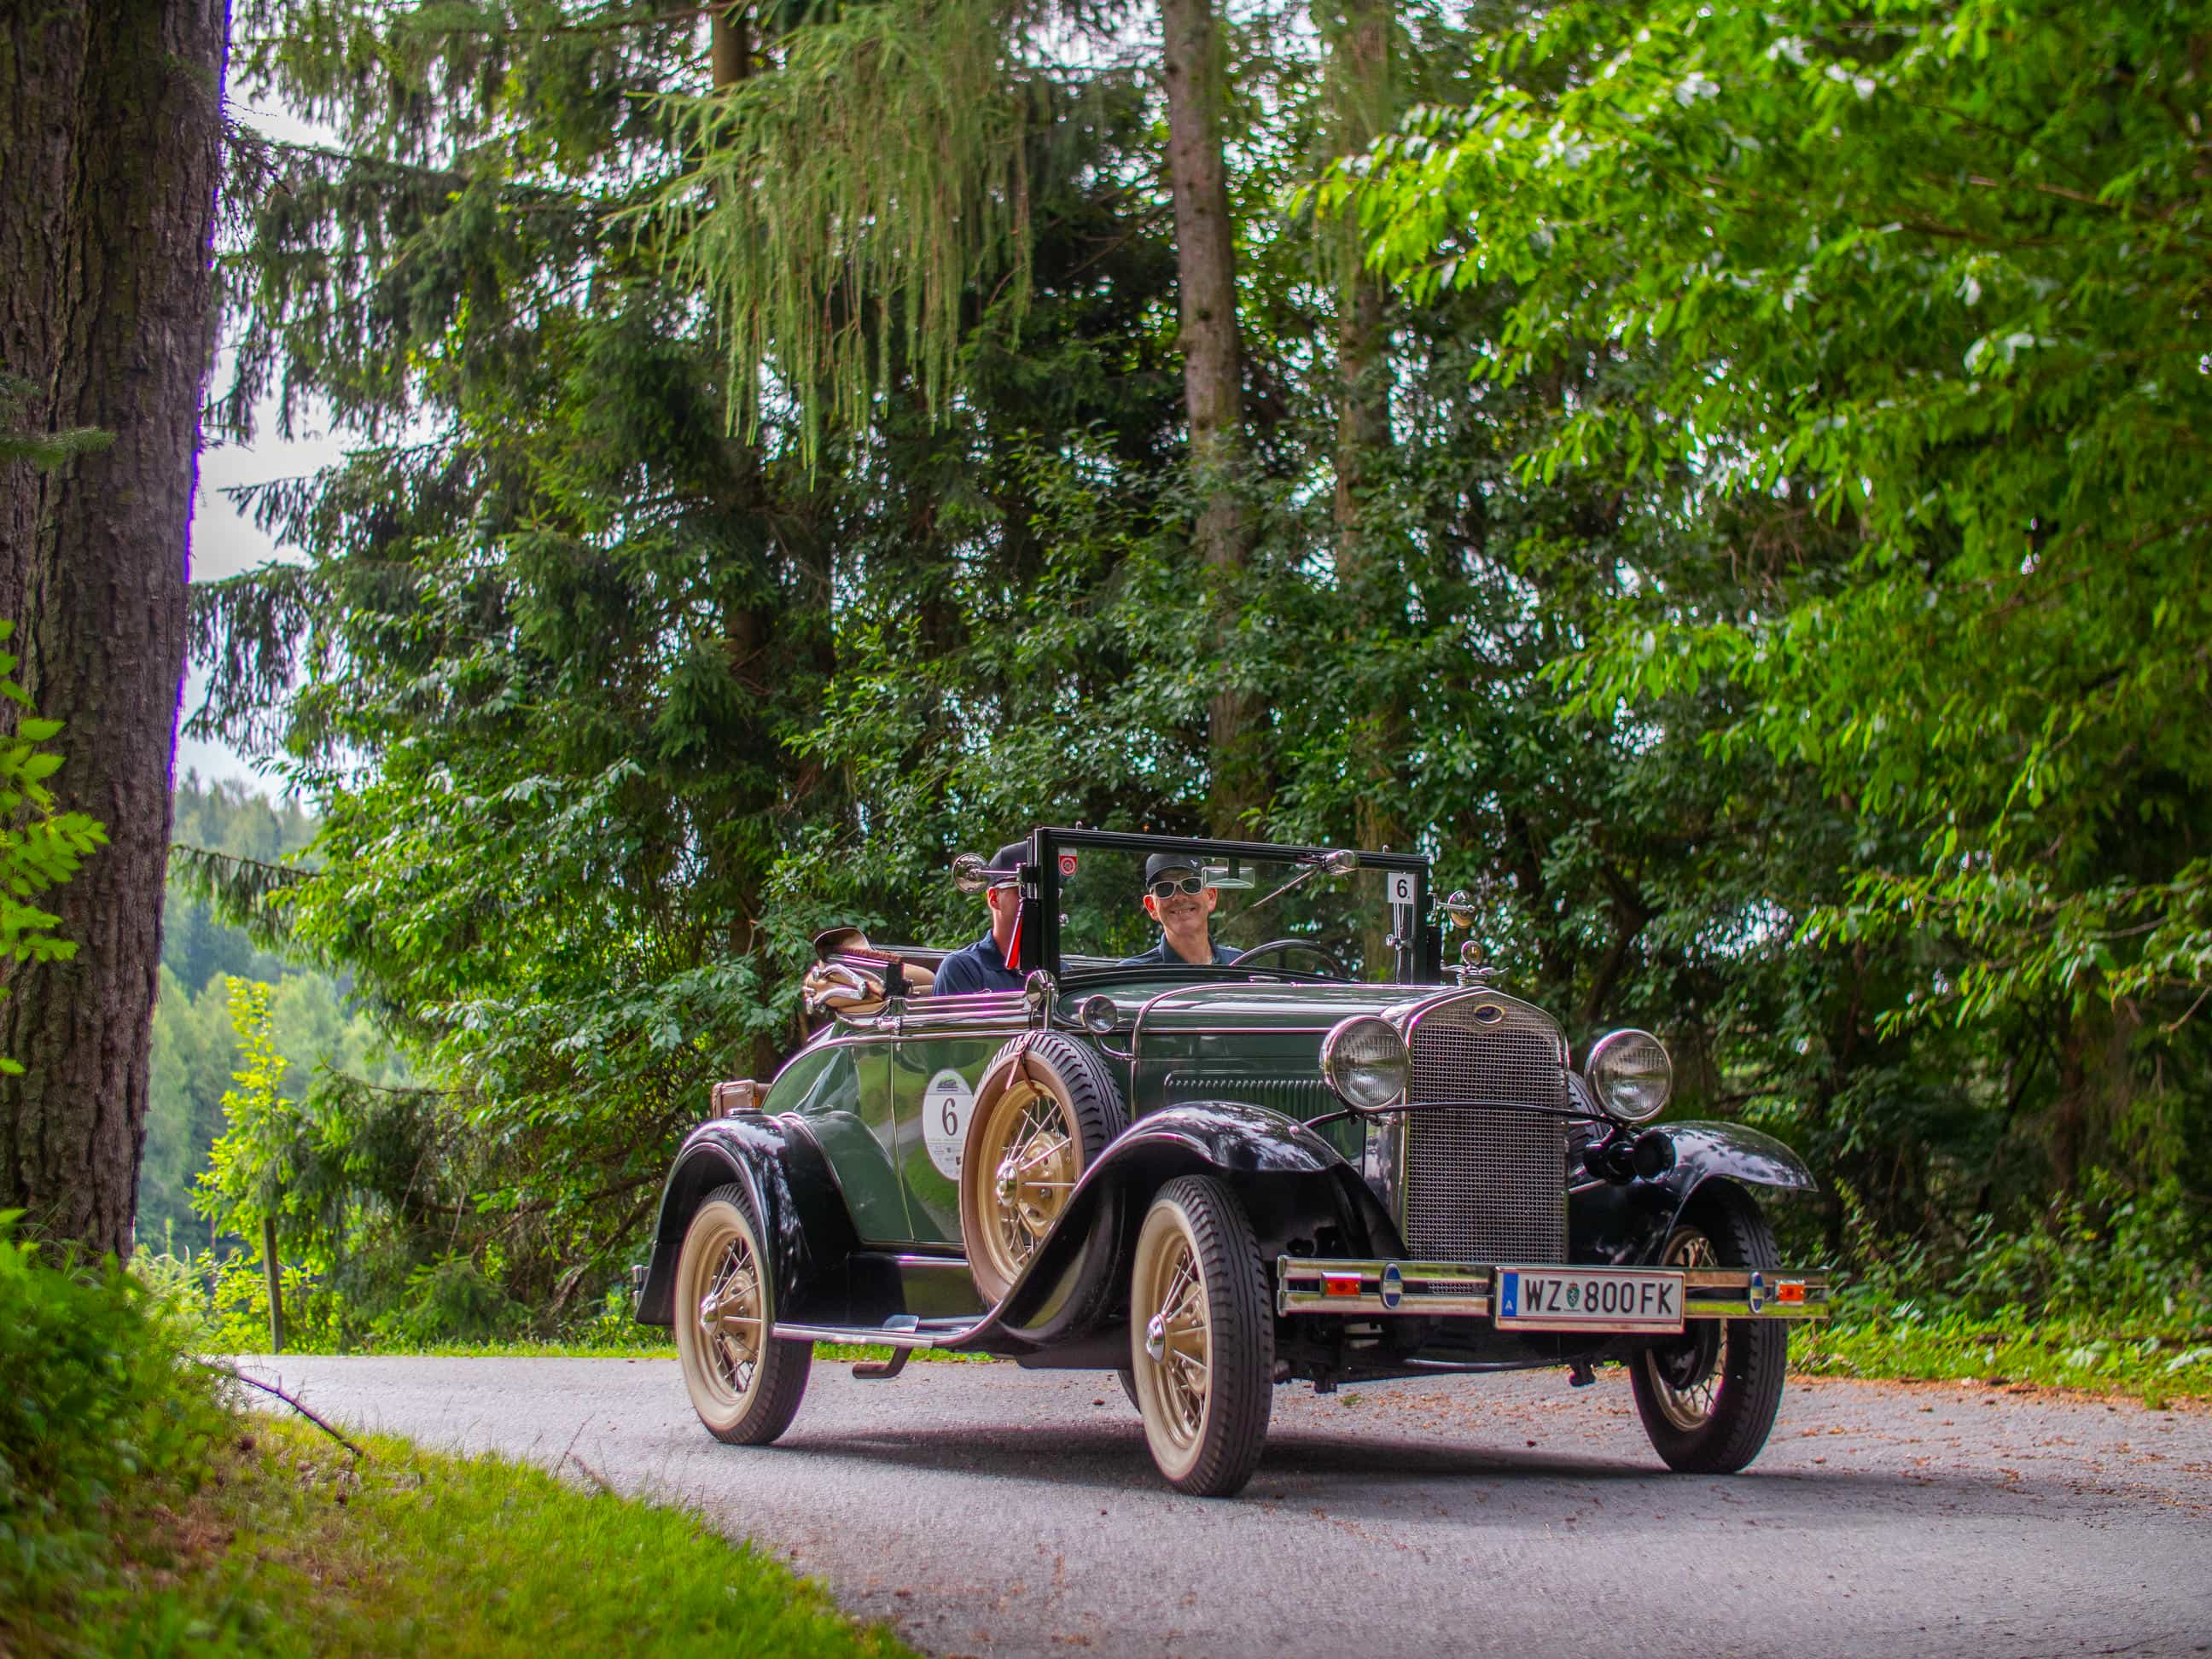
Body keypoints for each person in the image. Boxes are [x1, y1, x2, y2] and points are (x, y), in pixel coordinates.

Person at [932, 842, 1031, 995]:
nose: (1038, 902)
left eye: (1052, 893)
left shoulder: (1059, 970)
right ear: (994, 898)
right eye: (1024, 891)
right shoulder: (964, 968)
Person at [1119, 852, 1241, 968]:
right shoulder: (1133, 974)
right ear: (1152, 906)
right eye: (1165, 888)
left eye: (1191, 885)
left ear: (1211, 896)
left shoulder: (1240, 963)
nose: (1179, 898)